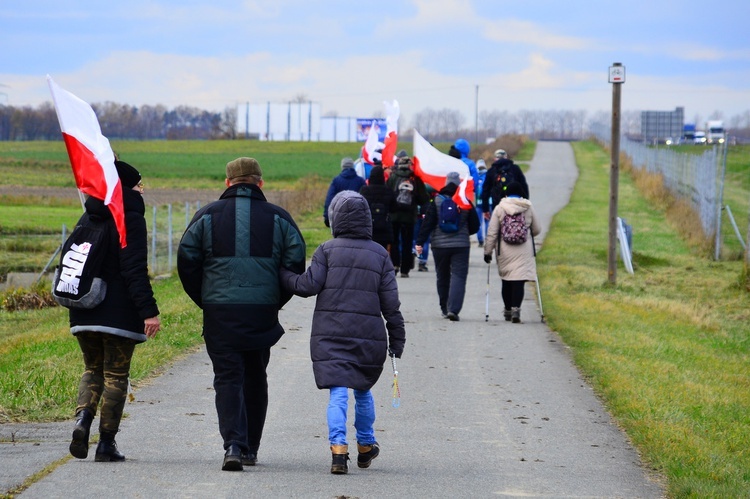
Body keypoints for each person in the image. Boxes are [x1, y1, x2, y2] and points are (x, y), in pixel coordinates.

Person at [177, 157, 306, 471]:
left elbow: (186, 263)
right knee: (255, 377)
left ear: (228, 183)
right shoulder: (280, 219)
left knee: (227, 379)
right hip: (262, 313)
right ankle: (250, 449)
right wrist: (274, 301)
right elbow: (295, 265)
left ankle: (233, 444)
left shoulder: (206, 216)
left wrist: (206, 298)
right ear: (260, 183)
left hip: (219, 314)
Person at [279, 190, 406, 475]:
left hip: (330, 334)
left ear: (336, 218)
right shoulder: (380, 256)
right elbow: (391, 305)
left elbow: (307, 286)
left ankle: (339, 451)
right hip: (368, 335)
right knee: (362, 391)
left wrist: (282, 273)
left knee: (337, 393)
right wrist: (397, 339)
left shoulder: (326, 250)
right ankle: (365, 445)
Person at [68, 160, 161, 463]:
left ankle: (82, 421)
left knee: (92, 369)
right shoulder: (130, 218)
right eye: (138, 184)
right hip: (117, 312)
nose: (142, 189)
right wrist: (149, 311)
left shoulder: (88, 215)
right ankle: (106, 443)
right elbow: (133, 268)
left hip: (84, 310)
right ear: (125, 187)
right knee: (116, 376)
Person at [415, 172, 479, 321]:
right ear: (459, 184)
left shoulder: (436, 200)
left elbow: (427, 223)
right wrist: (463, 232)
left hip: (439, 246)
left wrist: (420, 241)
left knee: (442, 276)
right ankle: (453, 309)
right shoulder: (465, 201)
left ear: (446, 183)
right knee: (458, 276)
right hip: (461, 246)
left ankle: (444, 308)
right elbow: (475, 226)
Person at [483, 181, 541, 323]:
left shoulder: (499, 208)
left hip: (505, 250)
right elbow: (537, 229)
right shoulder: (528, 207)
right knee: (519, 280)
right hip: (524, 249)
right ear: (521, 193)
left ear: (506, 193)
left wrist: (488, 251)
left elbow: (492, 232)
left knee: (507, 280)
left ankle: (508, 310)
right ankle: (516, 310)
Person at [386, 155, 429, 277]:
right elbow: (423, 198)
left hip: (394, 215)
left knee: (394, 241)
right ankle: (405, 269)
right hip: (410, 216)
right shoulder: (415, 178)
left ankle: (395, 265)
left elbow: (388, 194)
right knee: (407, 242)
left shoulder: (393, 177)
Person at [481, 152, 529, 220]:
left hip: (497, 205)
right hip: (515, 204)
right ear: (506, 157)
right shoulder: (515, 169)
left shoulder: (491, 171)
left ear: (495, 159)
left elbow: (485, 190)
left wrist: (485, 209)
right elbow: (524, 186)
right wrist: (525, 202)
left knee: (496, 227)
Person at [359, 165, 397, 250]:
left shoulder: (364, 190)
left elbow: (359, 207)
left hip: (369, 228)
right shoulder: (388, 190)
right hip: (385, 229)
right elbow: (394, 208)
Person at [323, 157, 367, 228]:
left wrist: (327, 217)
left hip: (340, 219)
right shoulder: (361, 181)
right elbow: (366, 200)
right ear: (353, 166)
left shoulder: (336, 181)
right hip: (357, 218)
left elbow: (329, 200)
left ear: (342, 167)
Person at [475, 159, 489, 247]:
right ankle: (488, 240)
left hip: (478, 202)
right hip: (488, 202)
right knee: (488, 221)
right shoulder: (488, 177)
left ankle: (480, 240)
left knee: (478, 222)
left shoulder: (475, 178)